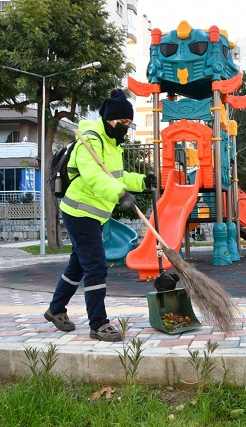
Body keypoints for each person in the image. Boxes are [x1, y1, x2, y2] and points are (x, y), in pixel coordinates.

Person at [44, 89, 156, 341]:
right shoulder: (90, 140)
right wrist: (119, 194)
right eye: (122, 122)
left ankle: (55, 309)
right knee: (96, 266)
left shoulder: (112, 144)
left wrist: (141, 181)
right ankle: (98, 323)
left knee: (78, 265)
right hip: (79, 211)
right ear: (109, 119)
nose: (125, 128)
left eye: (129, 123)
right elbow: (93, 176)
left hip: (95, 215)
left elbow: (118, 176)